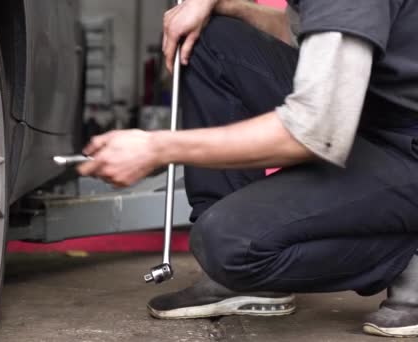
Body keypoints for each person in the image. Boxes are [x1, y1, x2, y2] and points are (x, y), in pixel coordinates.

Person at [77, 0, 418, 338]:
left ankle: (406, 254)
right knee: (209, 38)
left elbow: (316, 131)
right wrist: (230, 6)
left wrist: (157, 148)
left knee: (227, 243)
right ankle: (236, 283)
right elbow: (311, 35)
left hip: (401, 144)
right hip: (370, 112)